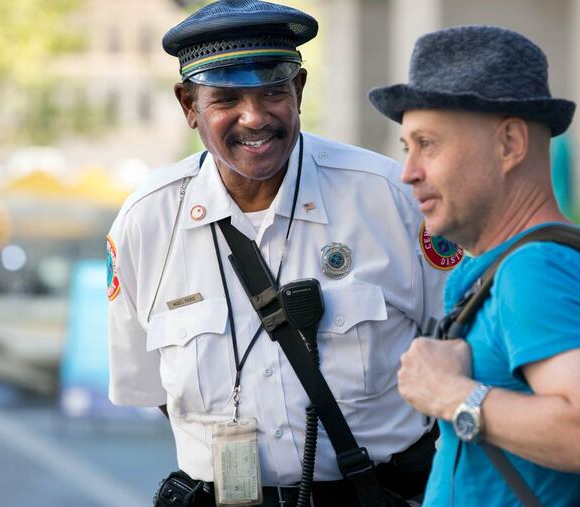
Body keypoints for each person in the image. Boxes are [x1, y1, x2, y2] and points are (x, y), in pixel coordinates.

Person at [107, 1, 458, 506]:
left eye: (273, 92)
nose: (254, 118)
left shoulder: (390, 198)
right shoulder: (147, 221)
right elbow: (149, 389)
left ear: (298, 90)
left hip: (373, 494)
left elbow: (459, 350)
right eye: (225, 98)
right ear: (188, 105)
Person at [369, 25, 580, 506]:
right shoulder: (568, 257)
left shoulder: (536, 270)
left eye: (427, 144)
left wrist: (449, 394)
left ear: (510, 143)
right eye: (405, 148)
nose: (408, 171)